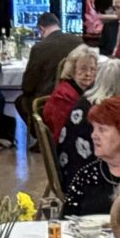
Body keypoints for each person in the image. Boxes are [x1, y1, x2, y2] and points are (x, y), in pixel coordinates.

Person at [41, 46, 100, 176]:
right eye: (83, 69)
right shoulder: (63, 96)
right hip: (69, 156)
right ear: (72, 71)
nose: (88, 74)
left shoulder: (88, 92)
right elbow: (65, 134)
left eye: (92, 69)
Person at [22, 12, 87, 121]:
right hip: (77, 95)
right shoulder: (79, 42)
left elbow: (28, 85)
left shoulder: (39, 48)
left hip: (48, 99)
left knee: (21, 101)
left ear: (41, 29)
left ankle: (40, 129)